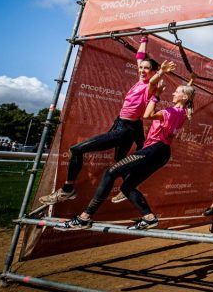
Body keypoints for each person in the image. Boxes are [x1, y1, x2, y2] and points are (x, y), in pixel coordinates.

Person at [57, 68, 195, 230]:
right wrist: (191, 81)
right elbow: (189, 94)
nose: (173, 93)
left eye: (176, 92)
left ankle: (84, 218)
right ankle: (149, 218)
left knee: (110, 173)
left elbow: (147, 115)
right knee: (126, 186)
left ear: (183, 97)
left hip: (153, 150)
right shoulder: (184, 113)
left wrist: (156, 95)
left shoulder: (169, 112)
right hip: (162, 154)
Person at [40, 36, 160, 205]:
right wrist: (143, 40)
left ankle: (67, 190)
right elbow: (139, 57)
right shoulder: (140, 81)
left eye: (147, 69)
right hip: (122, 125)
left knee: (76, 150)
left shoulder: (150, 86)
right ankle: (129, 188)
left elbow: (154, 80)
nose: (141, 70)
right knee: (119, 160)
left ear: (153, 72)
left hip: (125, 130)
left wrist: (161, 72)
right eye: (141, 68)